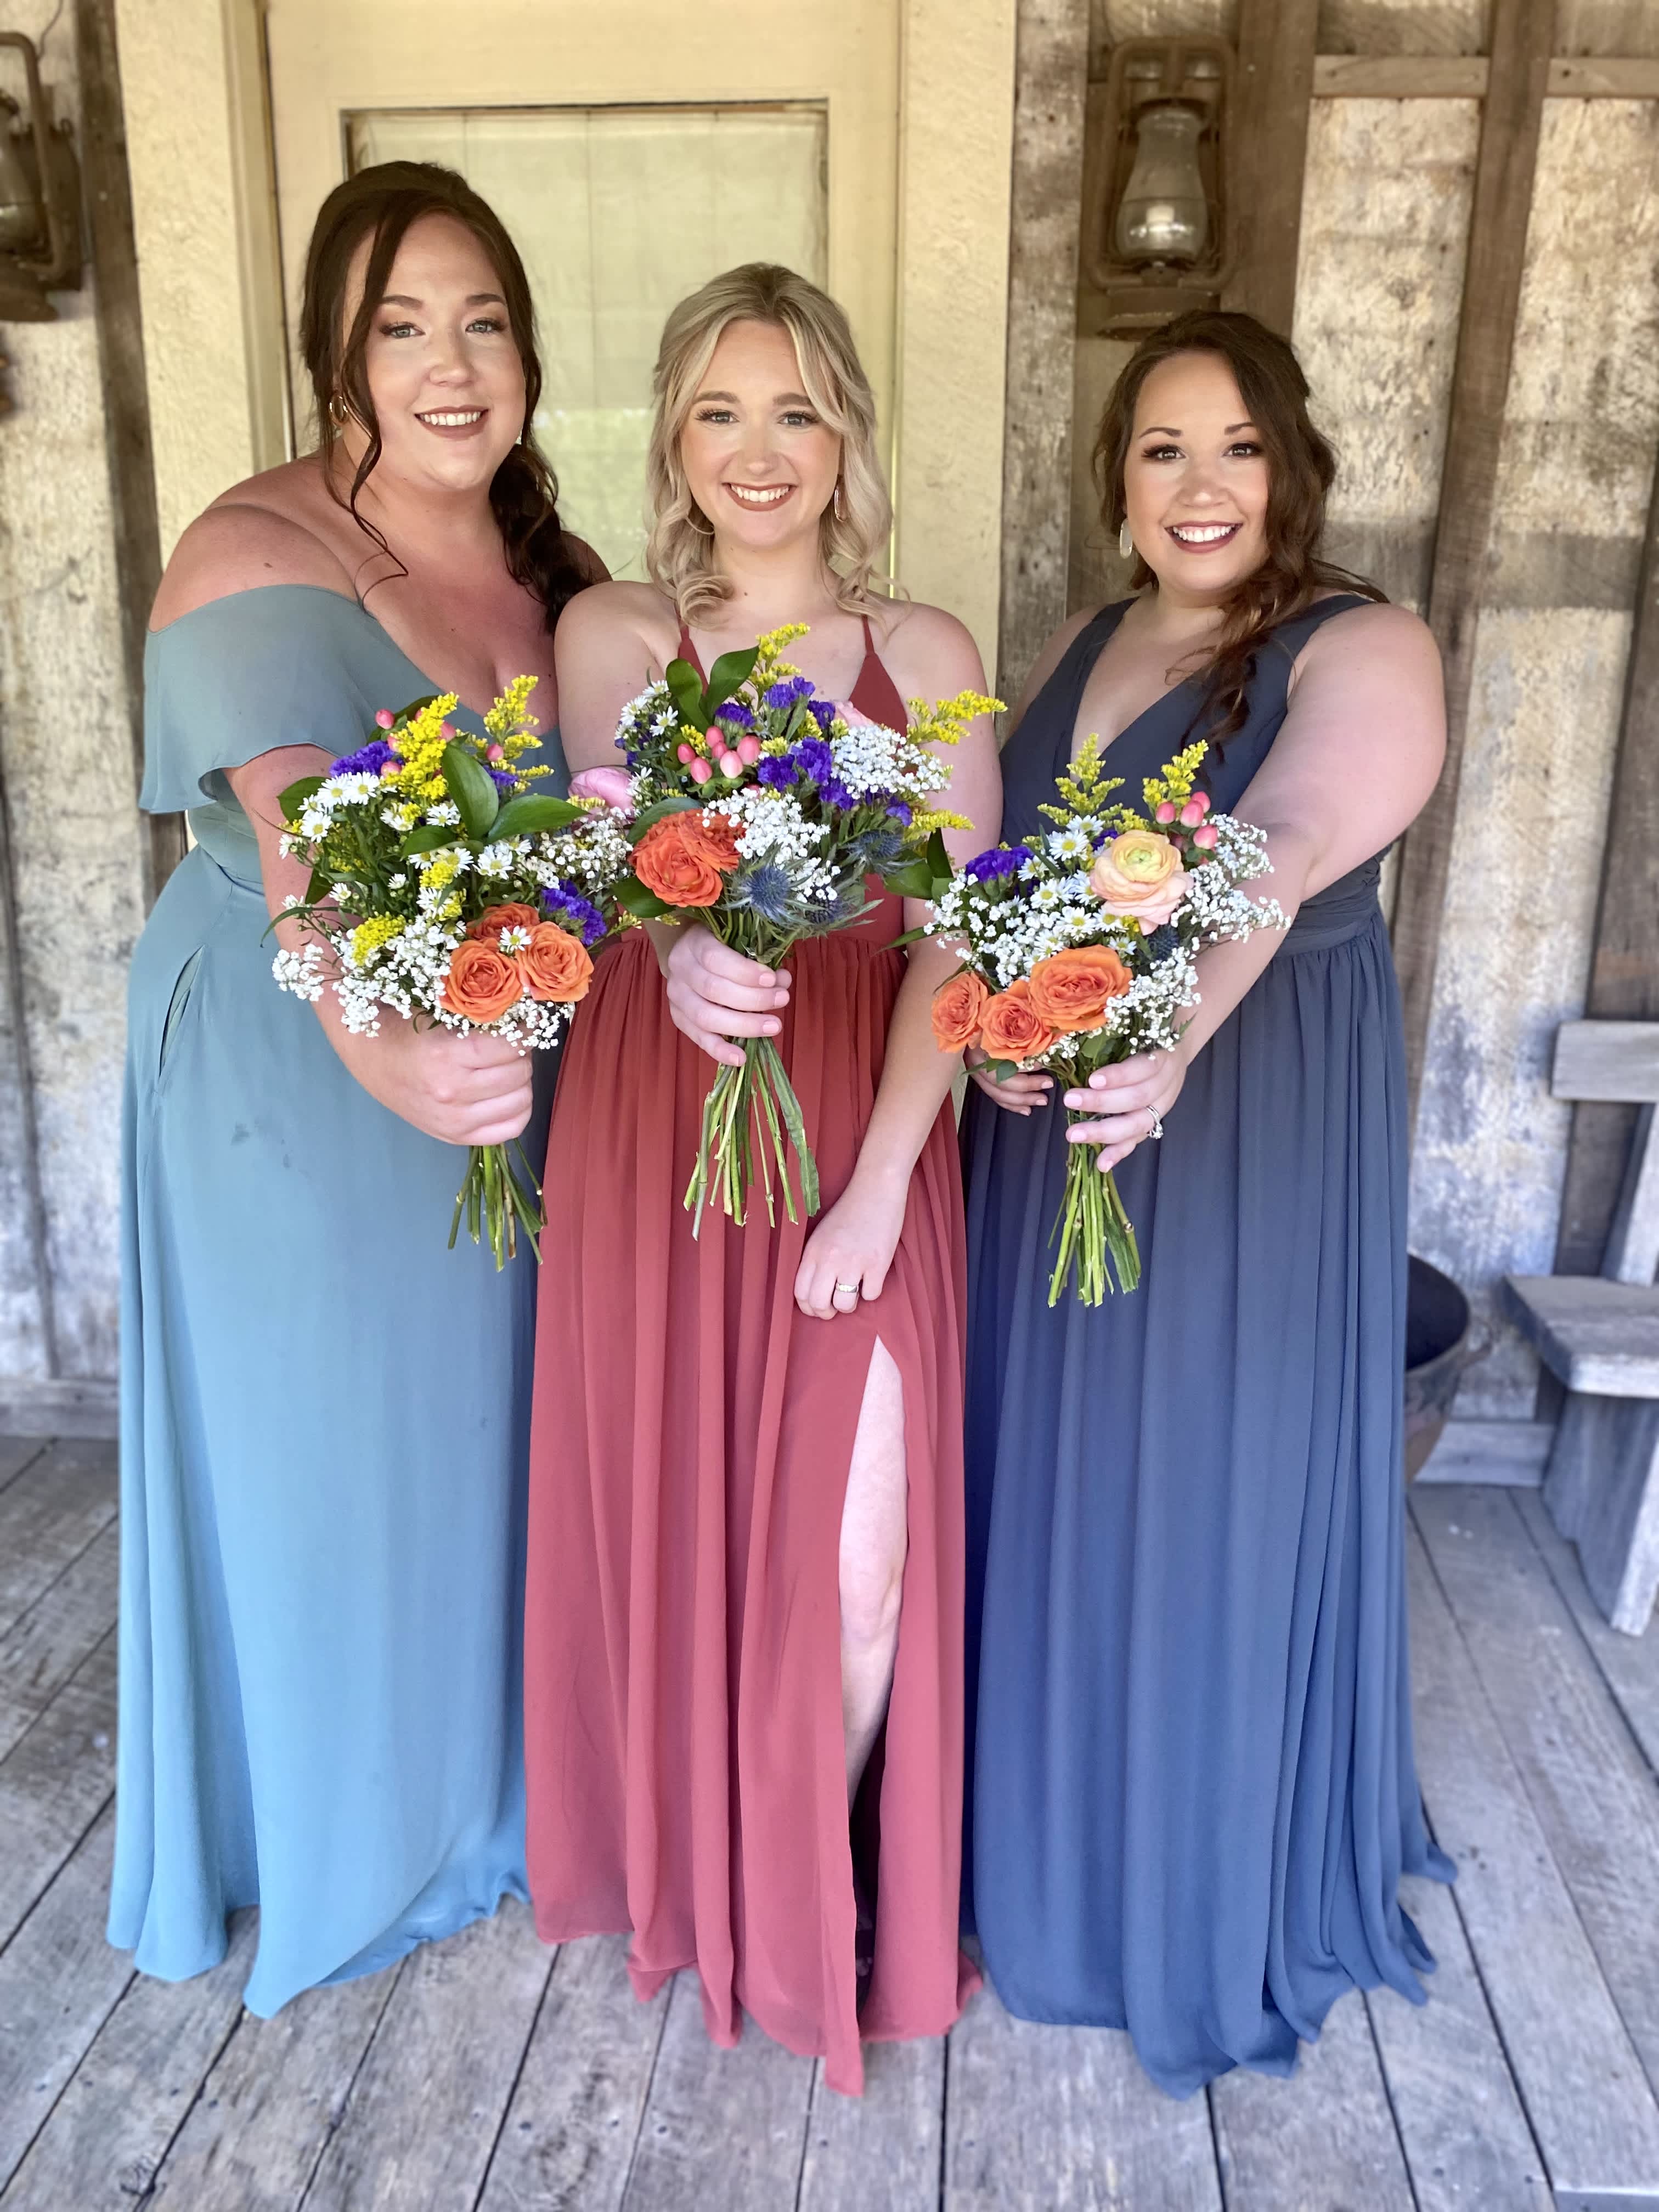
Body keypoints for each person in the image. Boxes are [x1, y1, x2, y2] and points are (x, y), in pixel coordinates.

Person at [111, 162, 601, 2009]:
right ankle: (328, 1825)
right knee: (322, 1438)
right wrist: (379, 1041)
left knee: (468, 1422)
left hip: (490, 1038)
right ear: (337, 353)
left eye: (484, 324)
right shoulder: (258, 553)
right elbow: (305, 842)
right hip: (283, 1054)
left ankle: (479, 1785)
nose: (450, 367)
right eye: (401, 328)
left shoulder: (556, 578)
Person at [961, 309, 1453, 2095]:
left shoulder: (1364, 642)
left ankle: (1173, 1881)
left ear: (1291, 464)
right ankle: (1033, 1848)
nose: (1200, 483)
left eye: (1237, 445)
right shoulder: (1084, 642)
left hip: (1247, 1123)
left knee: (1202, 1482)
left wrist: (1164, 1030)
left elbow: (1284, 841)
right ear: (1118, 478)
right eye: (1162, 447)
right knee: (1055, 1476)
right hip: (1063, 1121)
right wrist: (1002, 1024)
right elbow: (1009, 878)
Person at [523, 263, 998, 2095]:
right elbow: (611, 855)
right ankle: (715, 1880)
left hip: (871, 1125)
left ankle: (805, 1882)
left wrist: (881, 1185)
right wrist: (670, 948)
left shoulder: (928, 655)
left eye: (795, 408)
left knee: (860, 1563)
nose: (758, 450)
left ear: (846, 434)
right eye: (719, 411)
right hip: (670, 1123)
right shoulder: (615, 634)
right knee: (686, 1520)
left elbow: (959, 934)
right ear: (672, 438)